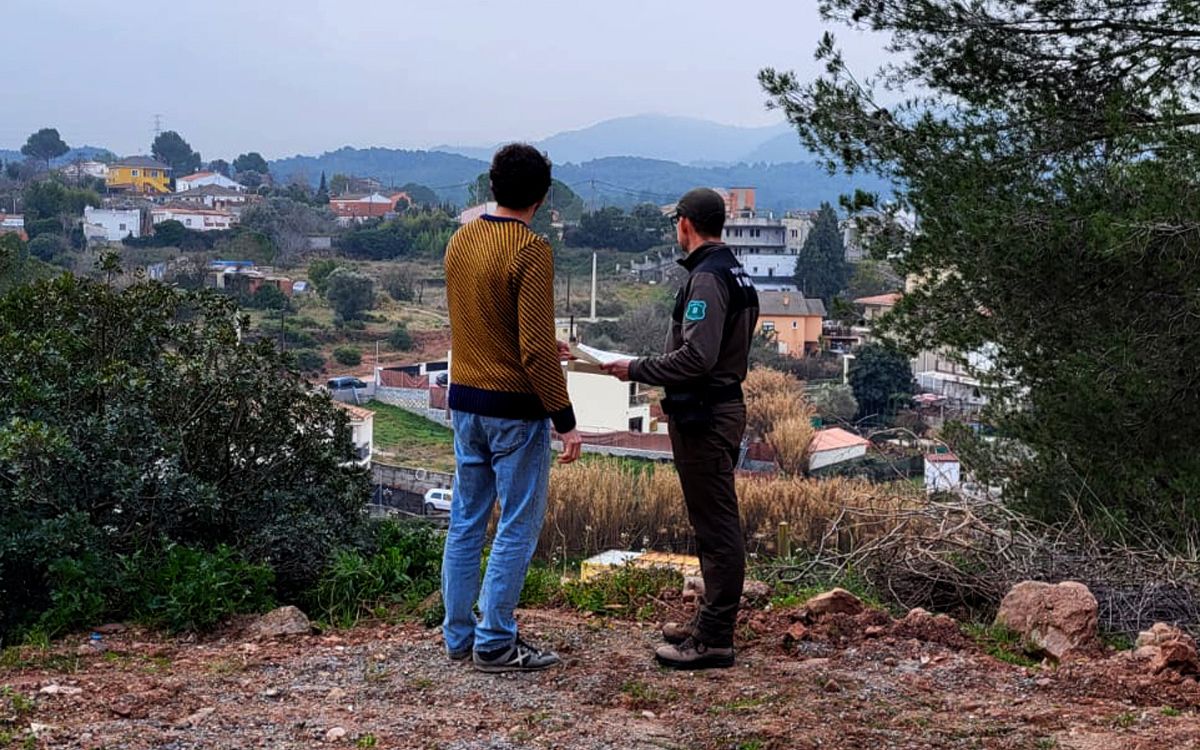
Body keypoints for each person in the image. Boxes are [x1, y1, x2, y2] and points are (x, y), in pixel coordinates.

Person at [601, 188, 758, 670]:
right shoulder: (732, 271)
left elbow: (697, 356)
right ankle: (707, 624)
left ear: (686, 224)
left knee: (717, 528)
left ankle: (713, 640)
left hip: (707, 416)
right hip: (710, 412)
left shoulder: (708, 280)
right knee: (710, 524)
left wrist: (635, 368)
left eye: (676, 223)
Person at [441, 143, 583, 673]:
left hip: (465, 402)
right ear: (543, 198)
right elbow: (533, 349)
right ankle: (496, 640)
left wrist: (541, 345)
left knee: (466, 522)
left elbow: (484, 321)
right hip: (513, 410)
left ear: (491, 185)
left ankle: (458, 637)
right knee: (518, 524)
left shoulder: (462, 239)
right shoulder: (531, 249)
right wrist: (565, 419)